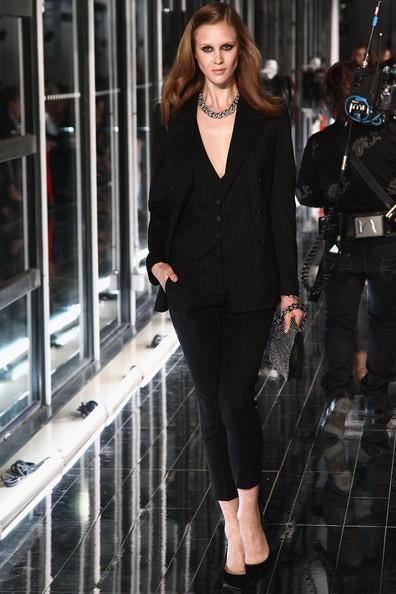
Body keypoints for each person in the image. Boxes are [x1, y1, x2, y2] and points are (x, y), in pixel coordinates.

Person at [146, 2, 304, 589]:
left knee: (236, 400)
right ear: (195, 53)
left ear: (242, 51)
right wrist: (155, 260)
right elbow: (162, 200)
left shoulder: (269, 119)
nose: (217, 59)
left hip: (251, 283)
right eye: (206, 49)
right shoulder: (174, 117)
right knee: (211, 407)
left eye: (227, 48)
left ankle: (252, 519)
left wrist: (289, 292)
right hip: (189, 283)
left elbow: (280, 216)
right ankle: (233, 529)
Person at [297, 61, 396, 432]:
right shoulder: (393, 134)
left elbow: (305, 195)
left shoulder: (321, 143)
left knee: (339, 322)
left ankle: (338, 394)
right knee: (385, 320)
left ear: (329, 100)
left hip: (343, 244)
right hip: (389, 243)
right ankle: (378, 395)